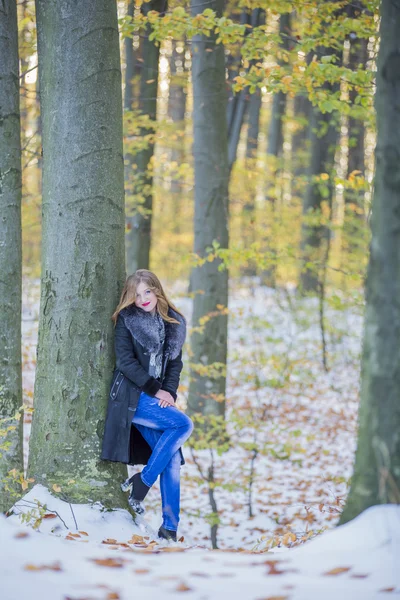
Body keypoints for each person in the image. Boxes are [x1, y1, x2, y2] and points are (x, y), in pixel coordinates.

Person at [101, 269, 193, 542]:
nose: (142, 298)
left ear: (157, 290)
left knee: (173, 457)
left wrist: (169, 393)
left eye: (147, 292)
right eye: (136, 294)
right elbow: (125, 363)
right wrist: (156, 391)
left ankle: (169, 530)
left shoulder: (174, 323)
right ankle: (142, 482)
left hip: (158, 397)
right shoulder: (126, 321)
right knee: (183, 424)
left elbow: (175, 364)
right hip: (131, 398)